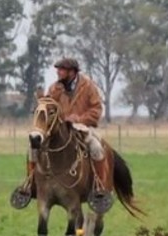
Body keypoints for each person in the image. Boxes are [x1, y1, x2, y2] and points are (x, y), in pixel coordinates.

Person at [12, 57, 112, 212]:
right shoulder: (54, 88)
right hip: (58, 128)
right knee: (32, 148)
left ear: (72, 72)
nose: (58, 72)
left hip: (82, 127)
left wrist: (79, 118)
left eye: (61, 70)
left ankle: (100, 187)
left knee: (97, 148)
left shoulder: (89, 86)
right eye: (58, 69)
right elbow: (48, 107)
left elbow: (96, 109)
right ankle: (30, 184)